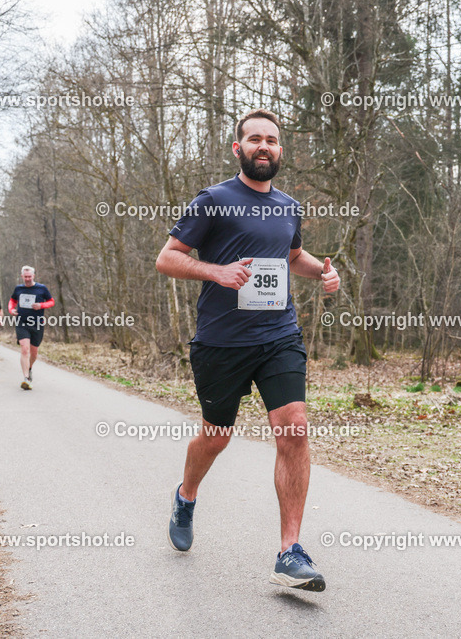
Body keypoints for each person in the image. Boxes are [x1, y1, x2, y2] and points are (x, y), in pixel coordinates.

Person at [155, 108, 340, 592]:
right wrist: (215, 271)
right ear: (238, 148)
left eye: (272, 140)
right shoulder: (213, 199)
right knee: (216, 436)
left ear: (281, 151)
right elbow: (167, 258)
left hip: (278, 336)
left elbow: (293, 256)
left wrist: (323, 271)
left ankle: (290, 551)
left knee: (294, 431)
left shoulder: (287, 206)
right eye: (254, 139)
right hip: (221, 341)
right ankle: (186, 495)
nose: (264, 146)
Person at [7, 266, 54, 390]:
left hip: (37, 323)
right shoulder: (19, 288)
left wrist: (41, 305)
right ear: (22, 276)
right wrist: (11, 310)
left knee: (34, 353)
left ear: (33, 276)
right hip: (22, 322)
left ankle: (29, 367)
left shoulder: (41, 288)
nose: (27, 279)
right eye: (25, 276)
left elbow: (51, 301)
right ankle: (26, 379)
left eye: (29, 276)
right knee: (24, 349)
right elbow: (12, 301)